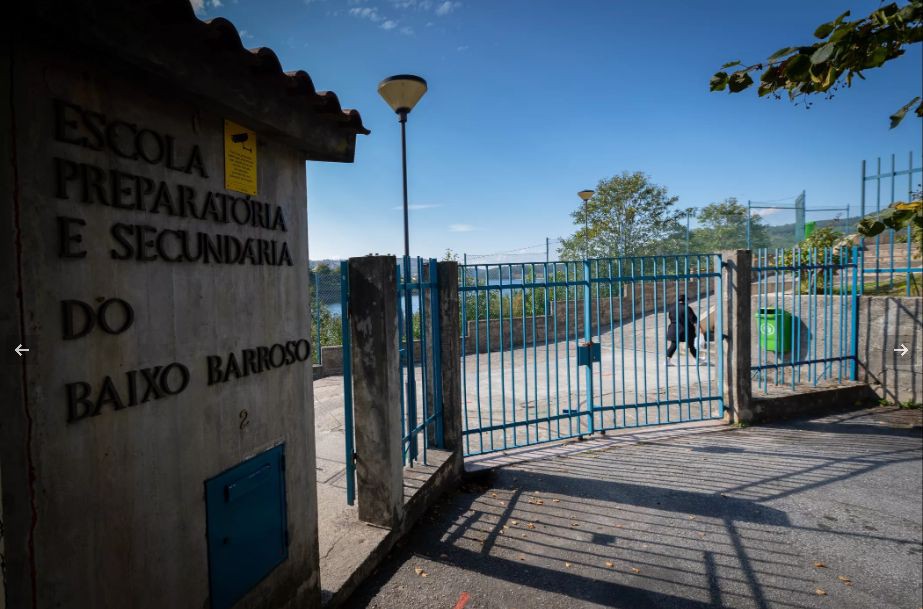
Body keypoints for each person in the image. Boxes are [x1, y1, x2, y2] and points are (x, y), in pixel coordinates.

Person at [665, 294, 698, 366]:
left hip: (674, 329)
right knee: (691, 346)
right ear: (685, 300)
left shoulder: (672, 308)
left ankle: (667, 360)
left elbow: (670, 318)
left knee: (673, 345)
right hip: (686, 331)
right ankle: (697, 360)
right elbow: (694, 320)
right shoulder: (687, 308)